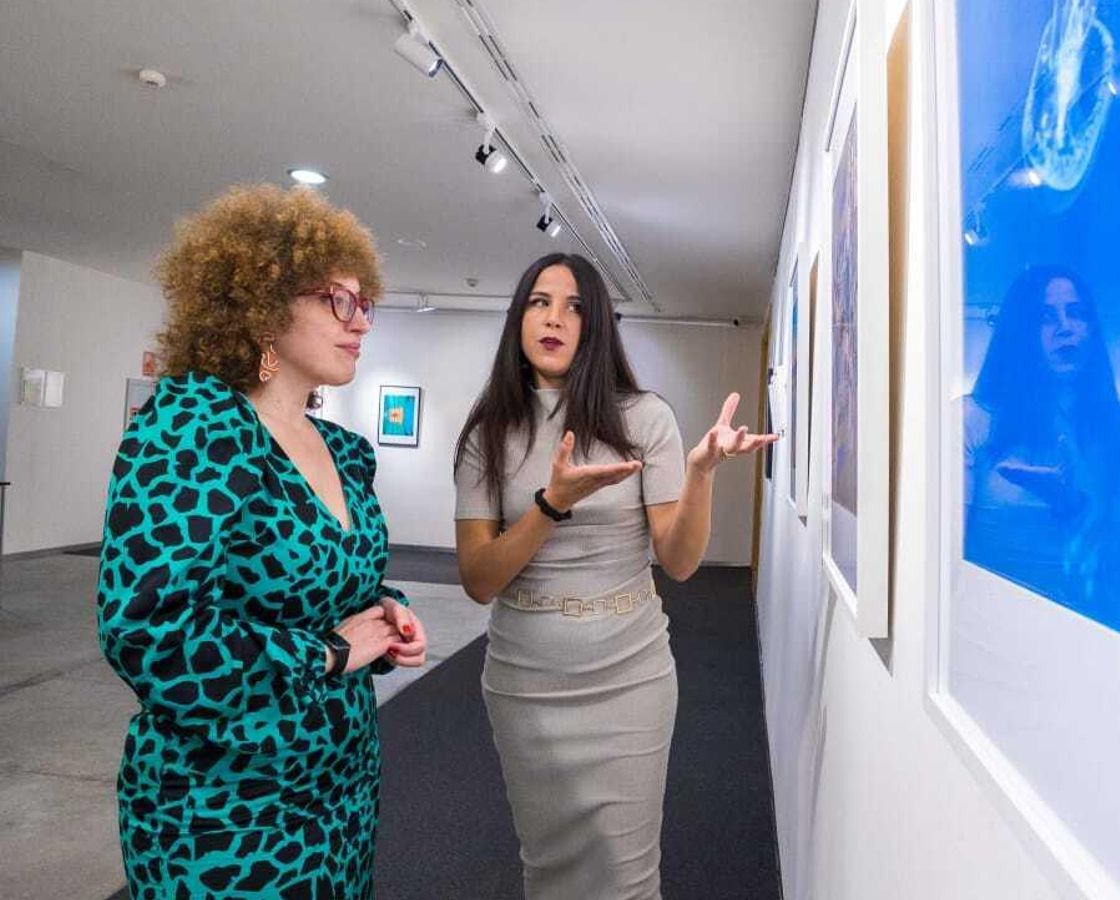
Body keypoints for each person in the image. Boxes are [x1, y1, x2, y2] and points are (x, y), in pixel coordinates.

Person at [96, 185, 427, 898]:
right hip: (225, 803)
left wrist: (388, 614)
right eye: (337, 300)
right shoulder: (194, 428)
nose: (360, 321)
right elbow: (148, 632)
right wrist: (331, 652)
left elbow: (341, 587)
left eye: (365, 301)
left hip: (340, 780)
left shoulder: (342, 450)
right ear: (263, 306)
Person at [452, 252, 775, 899]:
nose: (554, 318)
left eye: (575, 306)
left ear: (596, 325)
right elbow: (479, 579)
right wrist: (551, 507)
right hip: (527, 684)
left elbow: (679, 561)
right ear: (519, 317)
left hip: (628, 675)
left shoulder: (643, 418)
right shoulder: (488, 433)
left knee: (627, 879)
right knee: (548, 872)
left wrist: (700, 474)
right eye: (539, 301)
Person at [963, 265, 1120, 609]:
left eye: (1076, 313)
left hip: (1092, 626)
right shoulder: (974, 419)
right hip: (995, 624)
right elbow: (944, 560)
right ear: (1020, 333)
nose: (1065, 328)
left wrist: (1070, 506)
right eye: (1046, 317)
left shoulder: (1118, 433)